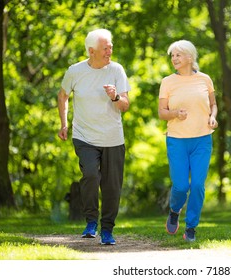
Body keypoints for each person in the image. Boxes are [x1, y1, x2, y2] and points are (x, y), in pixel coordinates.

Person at [57, 28, 131, 245]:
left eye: (111, 47)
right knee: (90, 174)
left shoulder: (117, 70)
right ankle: (91, 222)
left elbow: (125, 106)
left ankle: (107, 229)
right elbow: (63, 96)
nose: (110, 51)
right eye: (105, 48)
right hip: (84, 136)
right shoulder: (75, 71)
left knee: (112, 186)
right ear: (91, 51)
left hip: (113, 139)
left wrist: (115, 96)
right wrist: (64, 123)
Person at [158, 40, 218, 242]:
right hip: (177, 140)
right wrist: (175, 113)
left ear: (190, 57)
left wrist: (213, 117)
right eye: (172, 55)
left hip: (202, 139)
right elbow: (161, 113)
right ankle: (175, 210)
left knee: (198, 186)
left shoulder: (205, 79)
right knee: (181, 186)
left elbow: (213, 104)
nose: (174, 58)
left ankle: (191, 227)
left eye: (178, 55)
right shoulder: (167, 82)